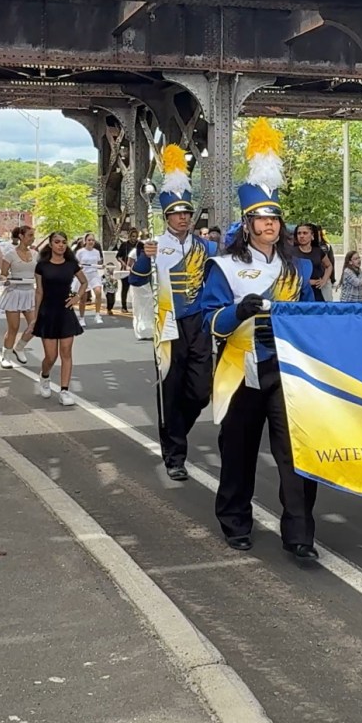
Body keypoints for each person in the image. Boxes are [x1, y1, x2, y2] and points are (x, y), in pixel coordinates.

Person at [200, 118, 318, 560]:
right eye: (262, 218)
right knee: (239, 451)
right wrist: (239, 311)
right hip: (240, 368)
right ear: (248, 223)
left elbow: (310, 315)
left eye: (274, 218)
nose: (270, 224)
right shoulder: (225, 266)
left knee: (297, 452)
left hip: (287, 370)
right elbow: (210, 321)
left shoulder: (296, 269)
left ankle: (300, 534)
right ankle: (235, 522)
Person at [131, 145, 216, 482]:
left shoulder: (206, 247)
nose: (183, 218)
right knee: (170, 391)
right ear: (166, 217)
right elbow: (136, 280)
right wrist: (144, 256)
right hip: (167, 325)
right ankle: (174, 455)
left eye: (187, 213)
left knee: (200, 391)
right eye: (177, 214)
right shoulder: (154, 245)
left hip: (199, 324)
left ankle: (177, 429)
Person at [33, 232, 87, 405]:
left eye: (64, 242)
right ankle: (44, 376)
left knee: (66, 352)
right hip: (47, 312)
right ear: (50, 244)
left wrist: (77, 297)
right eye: (57, 242)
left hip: (65, 311)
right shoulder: (41, 266)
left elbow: (84, 282)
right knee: (51, 356)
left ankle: (64, 391)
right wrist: (35, 316)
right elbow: (39, 291)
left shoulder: (71, 265)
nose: (61, 245)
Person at [0, 224, 37, 367]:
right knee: (13, 327)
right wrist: (5, 280)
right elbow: (3, 274)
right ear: (21, 236)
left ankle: (19, 347)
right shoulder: (10, 255)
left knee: (36, 325)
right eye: (30, 235)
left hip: (30, 293)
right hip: (14, 293)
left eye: (33, 236)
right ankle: (6, 356)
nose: (33, 238)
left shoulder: (35, 254)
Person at [294, 223, 332, 301]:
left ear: (312, 235)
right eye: (299, 233)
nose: (301, 236)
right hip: (297, 293)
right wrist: (304, 282)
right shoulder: (291, 252)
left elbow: (329, 266)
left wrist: (324, 280)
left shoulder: (318, 252)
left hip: (316, 293)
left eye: (305, 233)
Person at [76, 232, 105, 326]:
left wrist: (102, 266)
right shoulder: (80, 252)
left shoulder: (96, 252)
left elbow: (99, 263)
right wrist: (79, 266)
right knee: (83, 298)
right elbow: (76, 263)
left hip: (94, 274)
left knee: (98, 292)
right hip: (84, 276)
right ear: (85, 241)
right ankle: (81, 318)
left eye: (93, 240)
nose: (91, 242)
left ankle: (97, 315)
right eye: (89, 240)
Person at [115, 229, 140, 313]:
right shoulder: (124, 245)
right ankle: (124, 306)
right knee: (125, 288)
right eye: (133, 236)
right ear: (129, 236)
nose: (134, 238)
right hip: (125, 269)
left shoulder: (139, 245)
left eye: (136, 237)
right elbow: (118, 256)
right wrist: (123, 263)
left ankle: (137, 306)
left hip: (137, 269)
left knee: (138, 289)